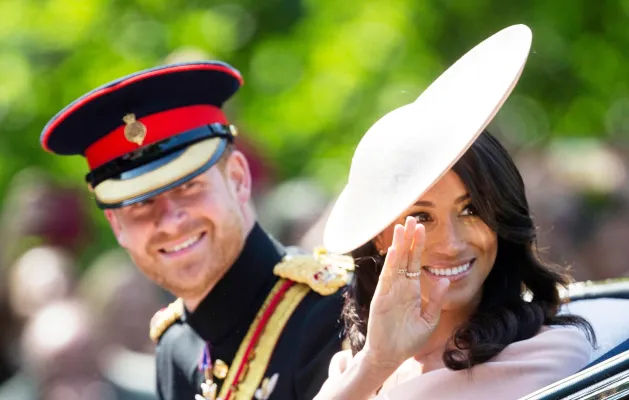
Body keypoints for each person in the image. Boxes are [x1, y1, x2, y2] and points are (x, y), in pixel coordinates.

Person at [39, 61, 353, 400]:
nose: (170, 220)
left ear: (238, 178)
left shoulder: (333, 311)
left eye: (188, 187)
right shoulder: (175, 345)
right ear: (116, 226)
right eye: (141, 204)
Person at [313, 25, 596, 400]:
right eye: (422, 218)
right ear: (379, 236)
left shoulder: (543, 355)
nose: (451, 243)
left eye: (471, 209)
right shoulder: (351, 370)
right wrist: (376, 364)